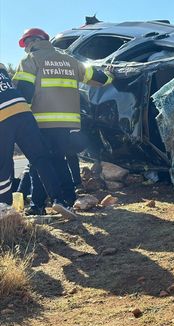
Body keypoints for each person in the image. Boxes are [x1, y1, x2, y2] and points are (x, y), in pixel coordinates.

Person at [12, 28, 112, 215]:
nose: (25, 48)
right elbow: (100, 78)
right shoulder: (70, 61)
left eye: (26, 44)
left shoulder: (30, 60)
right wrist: (110, 74)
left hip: (40, 122)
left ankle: (37, 206)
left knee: (38, 163)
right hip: (67, 124)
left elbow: (23, 93)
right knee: (59, 160)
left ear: (33, 41)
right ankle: (68, 199)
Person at [0, 63, 77, 219]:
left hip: (2, 116)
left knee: (3, 165)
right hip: (23, 110)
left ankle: (4, 209)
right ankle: (58, 200)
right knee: (41, 158)